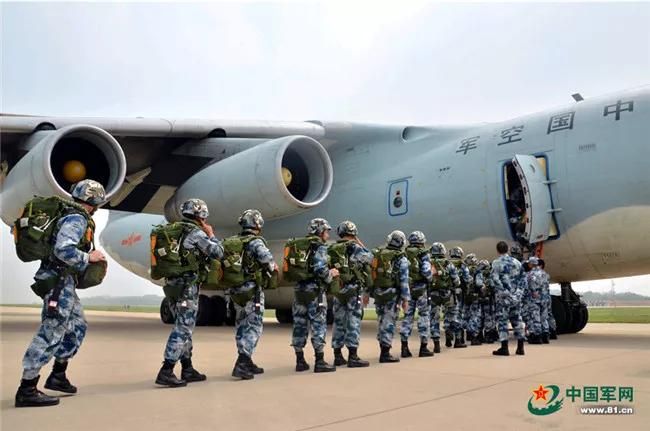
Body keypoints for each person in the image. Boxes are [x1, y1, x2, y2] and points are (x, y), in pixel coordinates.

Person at [16, 180, 106, 408]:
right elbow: (63, 250)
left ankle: (58, 375)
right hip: (58, 282)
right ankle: (27, 388)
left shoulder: (72, 215)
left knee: (77, 327)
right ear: (95, 201)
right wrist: (89, 257)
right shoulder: (76, 218)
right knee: (51, 330)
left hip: (65, 282)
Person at [155, 199, 224, 388]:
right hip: (187, 287)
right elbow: (218, 252)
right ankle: (166, 370)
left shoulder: (173, 230)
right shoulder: (195, 233)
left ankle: (187, 368)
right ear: (201, 215)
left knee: (183, 327)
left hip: (172, 287)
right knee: (183, 329)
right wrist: (211, 234)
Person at [230, 209, 277, 380]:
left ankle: (247, 360)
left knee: (241, 325)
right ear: (257, 223)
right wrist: (273, 267)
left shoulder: (234, 241)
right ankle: (242, 363)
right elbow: (268, 261)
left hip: (236, 291)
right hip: (252, 291)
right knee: (254, 327)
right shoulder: (256, 242)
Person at [292, 218, 338, 373]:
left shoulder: (300, 245)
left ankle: (300, 361)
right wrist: (331, 274)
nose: (327, 235)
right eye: (326, 232)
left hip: (299, 292)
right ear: (320, 231)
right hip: (315, 292)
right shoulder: (320, 247)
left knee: (299, 325)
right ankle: (319, 361)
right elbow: (320, 269)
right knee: (318, 325)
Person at [330, 221, 373, 368]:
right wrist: (360, 243)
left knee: (338, 322)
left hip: (338, 289)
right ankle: (353, 356)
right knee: (353, 321)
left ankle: (337, 356)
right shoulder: (355, 247)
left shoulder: (333, 248)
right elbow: (370, 258)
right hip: (353, 290)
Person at [372, 230, 410, 363]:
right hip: (392, 295)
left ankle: (382, 349)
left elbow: (372, 273)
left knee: (381, 320)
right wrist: (405, 299)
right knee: (389, 322)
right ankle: (385, 353)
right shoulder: (401, 258)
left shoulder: (378, 254)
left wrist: (367, 292)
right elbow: (404, 281)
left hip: (378, 293)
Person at [399, 231, 434, 358]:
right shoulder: (423, 254)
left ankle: (404, 348)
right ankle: (423, 348)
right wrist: (432, 274)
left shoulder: (404, 253)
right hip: (421, 290)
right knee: (424, 316)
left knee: (407, 317)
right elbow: (426, 272)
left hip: (408, 289)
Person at [490, 241, 525, 356]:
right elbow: (523, 280)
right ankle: (520, 348)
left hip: (503, 298)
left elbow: (494, 280)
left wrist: (504, 292)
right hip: (516, 297)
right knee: (517, 320)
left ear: (497, 250)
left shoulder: (496, 263)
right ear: (508, 249)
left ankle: (504, 348)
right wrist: (517, 293)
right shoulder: (517, 263)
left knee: (502, 321)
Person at [428, 242, 461, 353]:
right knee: (453, 315)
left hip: (433, 295)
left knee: (434, 318)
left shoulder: (429, 263)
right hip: (448, 294)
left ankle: (436, 345)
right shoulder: (448, 264)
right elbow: (457, 281)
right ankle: (457, 340)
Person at [447, 247, 471, 348]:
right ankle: (458, 340)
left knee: (448, 313)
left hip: (447, 293)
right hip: (459, 293)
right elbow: (467, 279)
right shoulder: (462, 265)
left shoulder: (446, 263)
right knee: (458, 315)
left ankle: (448, 334)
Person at [524, 257, 546, 344]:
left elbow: (529, 285)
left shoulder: (530, 274)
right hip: (543, 298)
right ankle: (543, 335)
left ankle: (536, 336)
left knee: (534, 316)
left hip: (533, 298)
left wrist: (533, 291)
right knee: (542, 316)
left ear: (531, 264)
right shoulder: (543, 273)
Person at [463, 253, 483, 346]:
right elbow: (479, 283)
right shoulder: (477, 271)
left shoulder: (464, 269)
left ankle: (463, 336)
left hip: (465, 296)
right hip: (474, 296)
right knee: (474, 315)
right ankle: (474, 337)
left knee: (466, 315)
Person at [476, 259, 497, 343]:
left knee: (480, 316)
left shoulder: (478, 274)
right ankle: (488, 335)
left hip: (480, 299)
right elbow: (493, 285)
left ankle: (479, 335)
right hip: (489, 299)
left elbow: (478, 284)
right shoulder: (490, 274)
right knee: (489, 317)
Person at [539, 259, 557, 340]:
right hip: (547, 297)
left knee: (542, 315)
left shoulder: (538, 275)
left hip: (541, 297)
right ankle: (553, 331)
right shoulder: (546, 274)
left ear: (540, 266)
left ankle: (544, 332)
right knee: (549, 314)